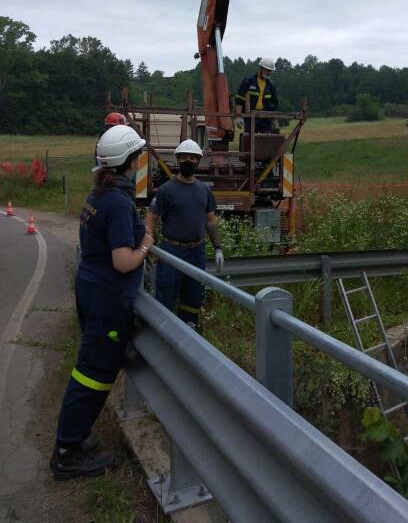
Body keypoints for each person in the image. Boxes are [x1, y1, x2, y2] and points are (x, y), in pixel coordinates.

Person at [51, 125, 154, 481]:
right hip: (108, 297)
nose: (140, 163)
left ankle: (74, 441)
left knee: (92, 368)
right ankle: (66, 452)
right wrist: (146, 245)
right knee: (93, 372)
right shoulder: (118, 203)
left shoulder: (97, 197)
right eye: (137, 158)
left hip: (92, 290)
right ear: (129, 162)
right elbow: (123, 261)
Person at [145, 139, 224, 331]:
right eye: (184, 157)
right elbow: (151, 218)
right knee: (166, 294)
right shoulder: (166, 190)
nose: (188, 161)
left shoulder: (204, 190)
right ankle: (163, 334)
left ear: (198, 161)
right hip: (172, 251)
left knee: (193, 295)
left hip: (196, 251)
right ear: (178, 160)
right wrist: (149, 246)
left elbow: (211, 220)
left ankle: (190, 332)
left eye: (192, 158)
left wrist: (218, 247)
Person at [235, 57, 279, 134]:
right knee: (249, 141)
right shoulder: (248, 81)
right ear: (261, 69)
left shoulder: (271, 85)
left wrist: (274, 119)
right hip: (251, 118)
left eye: (271, 71)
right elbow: (239, 99)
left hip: (266, 119)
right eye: (268, 70)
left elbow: (275, 103)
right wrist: (238, 117)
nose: (270, 73)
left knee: (266, 141)